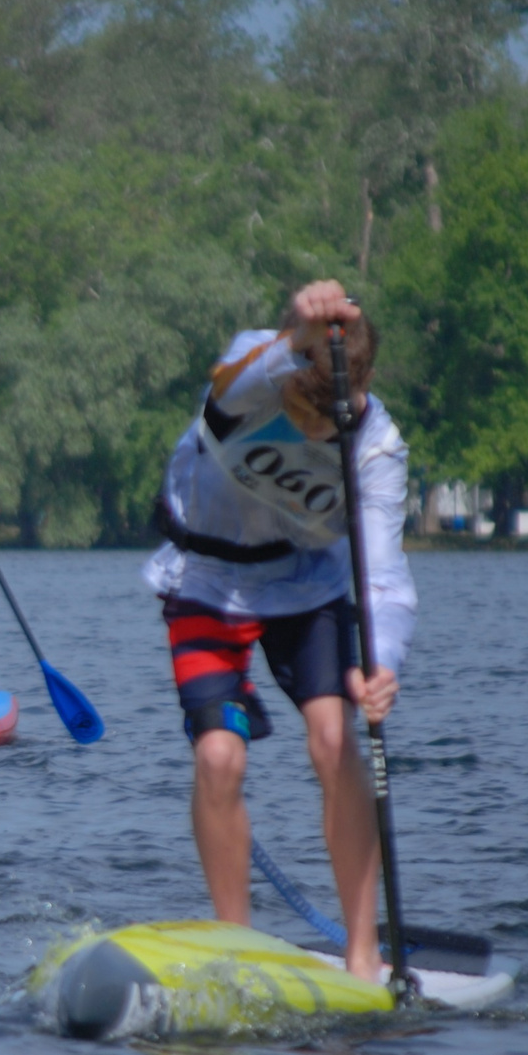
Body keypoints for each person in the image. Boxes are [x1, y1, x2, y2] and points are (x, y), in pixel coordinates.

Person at [144, 280, 415, 984]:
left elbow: (382, 575)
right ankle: (236, 945)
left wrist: (382, 662)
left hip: (307, 585)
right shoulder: (252, 370)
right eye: (305, 408)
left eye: (335, 417)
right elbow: (243, 376)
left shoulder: (378, 448)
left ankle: (363, 950)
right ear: (292, 369)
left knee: (333, 737)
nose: (317, 431)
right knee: (219, 760)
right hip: (207, 580)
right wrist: (294, 330)